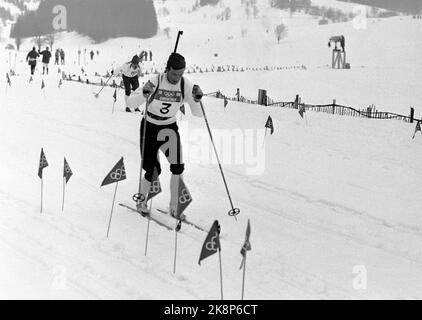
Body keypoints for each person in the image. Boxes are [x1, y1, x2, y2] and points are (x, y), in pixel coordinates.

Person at [135, 52, 204, 219]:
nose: (176, 77)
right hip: (150, 126)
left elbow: (198, 114)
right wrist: (143, 93)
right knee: (153, 170)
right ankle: (141, 201)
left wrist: (197, 99)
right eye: (174, 74)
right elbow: (131, 103)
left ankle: (174, 207)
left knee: (178, 167)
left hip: (168, 127)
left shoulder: (185, 85)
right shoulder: (156, 80)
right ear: (167, 70)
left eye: (180, 74)